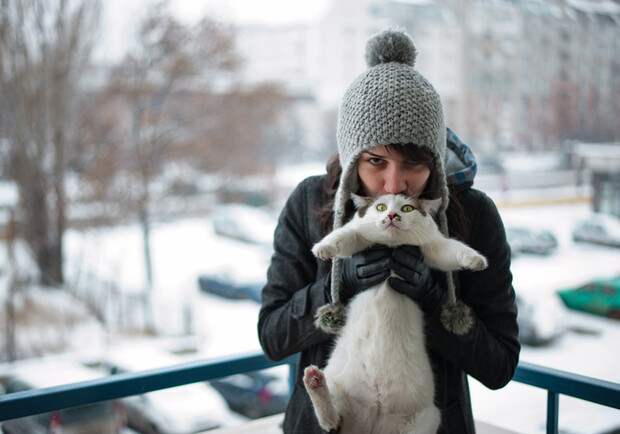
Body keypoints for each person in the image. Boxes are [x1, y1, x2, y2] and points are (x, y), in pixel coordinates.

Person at [258, 28, 519, 433]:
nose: (395, 184)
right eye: (376, 162)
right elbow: (272, 336)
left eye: (413, 163)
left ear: (434, 159)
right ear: (351, 158)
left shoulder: (475, 215)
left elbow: (500, 363)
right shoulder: (310, 203)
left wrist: (434, 302)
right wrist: (336, 285)